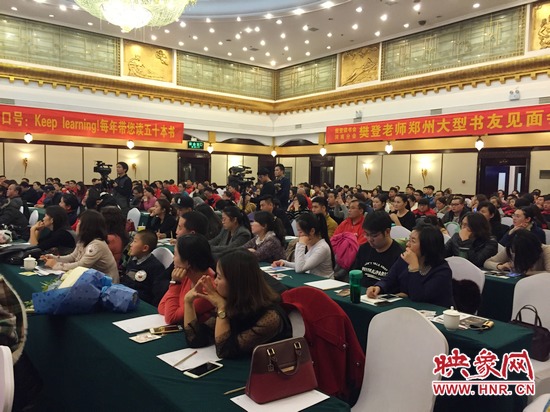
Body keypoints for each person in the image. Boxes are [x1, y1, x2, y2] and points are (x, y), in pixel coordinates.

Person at [183, 249, 292, 358]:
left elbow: (223, 350)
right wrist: (188, 302)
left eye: (219, 277)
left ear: (236, 283)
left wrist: (222, 308)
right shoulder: (234, 303)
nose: (215, 282)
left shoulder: (270, 316)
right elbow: (195, 339)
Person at [366, 224, 453, 307]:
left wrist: (414, 268)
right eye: (409, 240)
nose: (407, 244)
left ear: (427, 246)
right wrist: (378, 287)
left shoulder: (442, 271)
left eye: (413, 241)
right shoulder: (404, 260)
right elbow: (389, 279)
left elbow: (419, 297)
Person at [43, 210, 120, 282]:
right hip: (91, 279)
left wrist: (56, 265)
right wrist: (54, 258)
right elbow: (72, 257)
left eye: (79, 222)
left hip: (105, 283)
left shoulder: (97, 245)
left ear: (87, 226)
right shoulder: (84, 240)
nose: (77, 225)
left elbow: (81, 266)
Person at [158, 234, 216, 324]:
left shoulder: (207, 288)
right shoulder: (186, 275)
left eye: (175, 254)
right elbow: (161, 307)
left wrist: (175, 284)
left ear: (188, 263)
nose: (173, 258)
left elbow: (171, 318)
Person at [273, 213, 335, 278]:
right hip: (313, 280)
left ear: (312, 231)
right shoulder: (310, 244)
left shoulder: (322, 247)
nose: (298, 235)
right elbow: (301, 264)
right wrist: (285, 263)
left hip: (324, 282)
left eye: (300, 232)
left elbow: (300, 269)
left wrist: (301, 244)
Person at [350, 211, 403, 287]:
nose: (370, 239)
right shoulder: (364, 249)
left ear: (387, 232)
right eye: (367, 234)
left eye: (374, 235)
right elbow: (355, 274)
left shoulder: (399, 255)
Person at [120, 230, 165, 305]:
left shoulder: (156, 267)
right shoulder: (132, 260)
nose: (131, 245)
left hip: (140, 302)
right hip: (125, 296)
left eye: (135, 241)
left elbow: (155, 295)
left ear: (145, 248)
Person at [484, 229, 550, 275]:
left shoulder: (546, 250)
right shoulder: (511, 248)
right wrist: (500, 266)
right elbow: (487, 262)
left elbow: (548, 273)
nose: (515, 253)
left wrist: (526, 272)